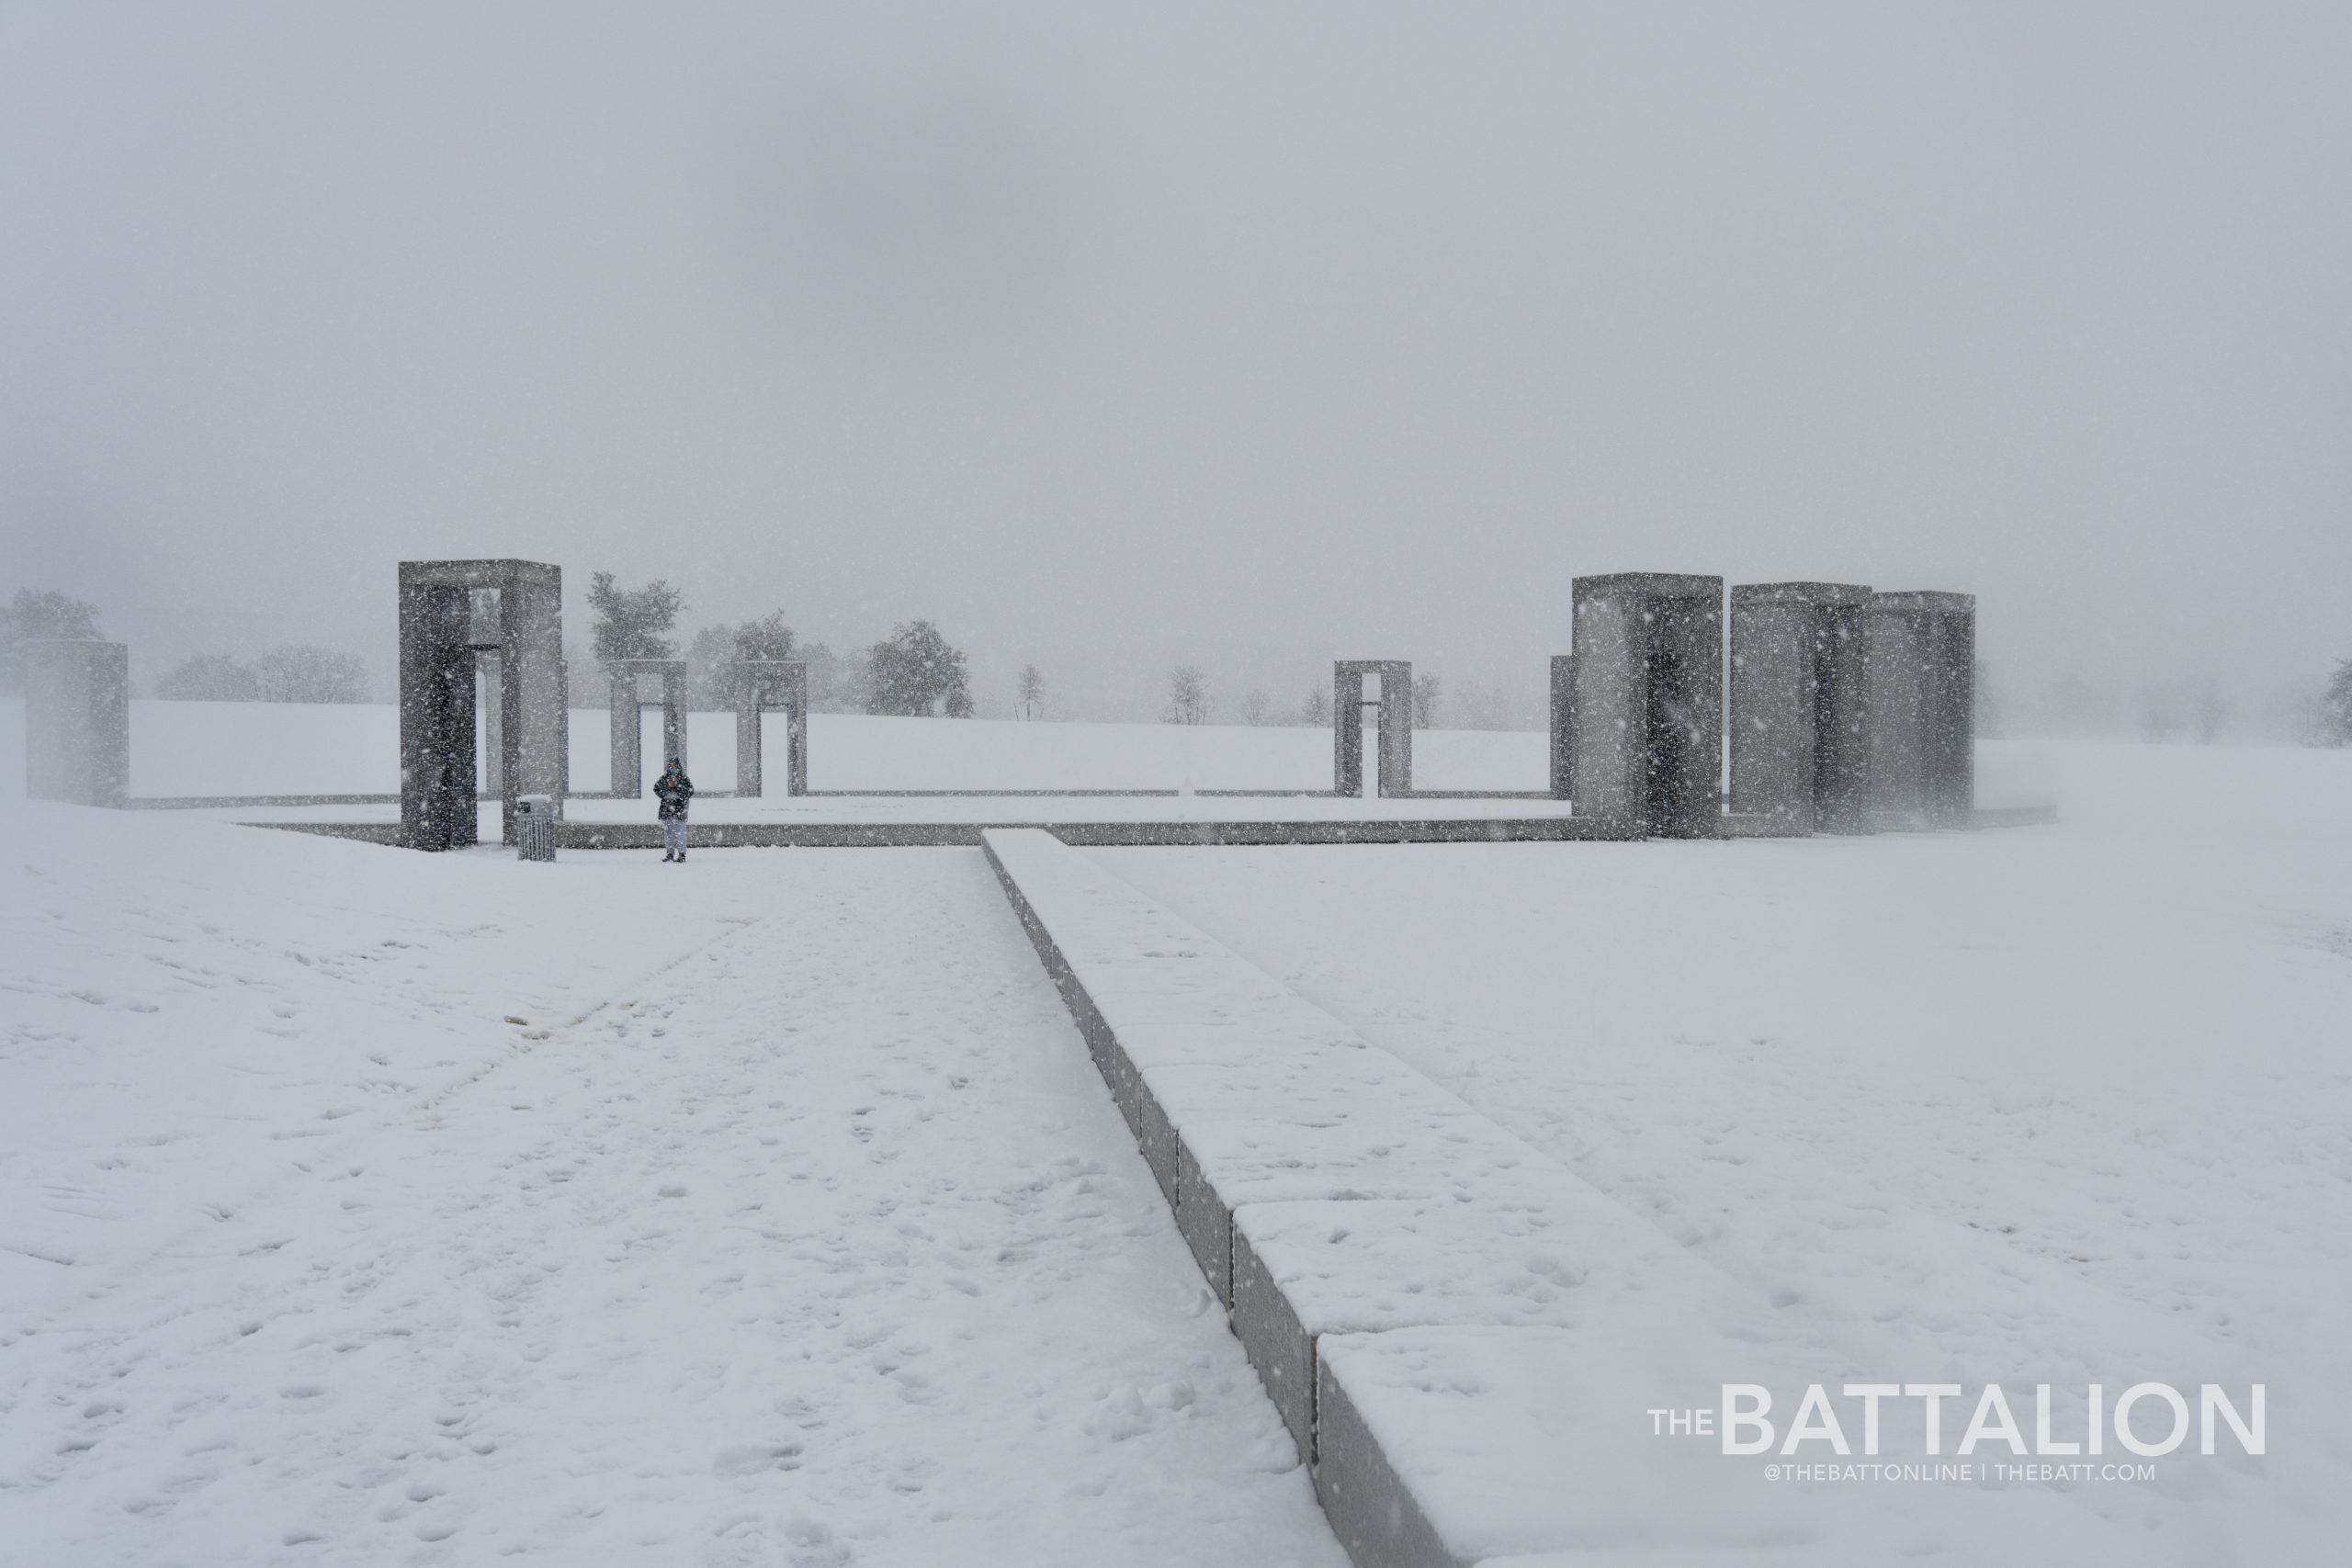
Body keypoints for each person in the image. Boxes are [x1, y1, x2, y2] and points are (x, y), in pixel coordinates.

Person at [654, 756, 694, 862]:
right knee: (668, 834)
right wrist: (667, 790)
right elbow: (656, 788)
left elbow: (690, 791)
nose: (672, 768)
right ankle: (670, 853)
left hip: (679, 811)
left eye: (674, 766)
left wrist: (676, 788)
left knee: (680, 833)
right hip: (666, 811)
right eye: (671, 766)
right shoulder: (664, 778)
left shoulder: (684, 779)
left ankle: (682, 854)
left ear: (679, 766)